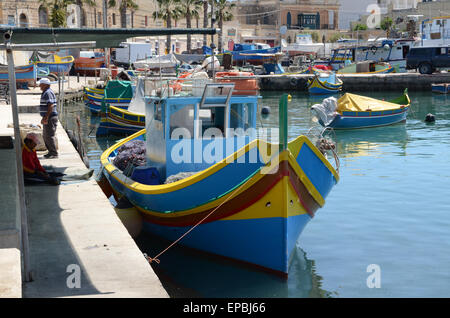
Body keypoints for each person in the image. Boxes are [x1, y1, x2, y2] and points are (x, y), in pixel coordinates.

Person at [39, 77, 58, 159]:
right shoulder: (46, 92)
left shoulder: (47, 93)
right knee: (46, 135)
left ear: (45, 85)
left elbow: (51, 106)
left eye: (41, 84)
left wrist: (46, 117)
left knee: (49, 135)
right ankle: (50, 151)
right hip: (48, 117)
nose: (39, 86)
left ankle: (54, 153)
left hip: (50, 117)